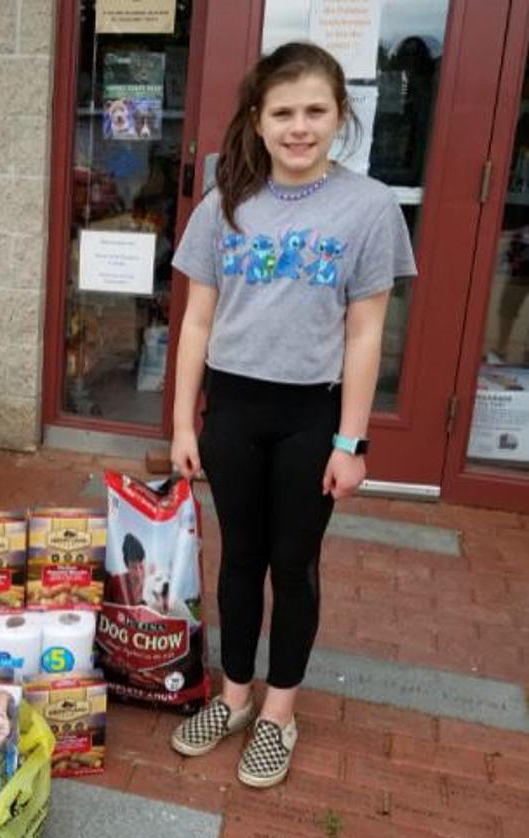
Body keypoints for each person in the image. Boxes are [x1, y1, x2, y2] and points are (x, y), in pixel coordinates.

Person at [168, 43, 416, 787]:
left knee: (294, 565)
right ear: (257, 118)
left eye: (315, 111)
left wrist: (352, 439)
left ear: (341, 117)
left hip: (313, 416)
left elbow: (367, 331)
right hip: (234, 411)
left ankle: (280, 712)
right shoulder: (226, 202)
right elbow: (197, 324)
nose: (298, 127)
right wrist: (184, 423)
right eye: (283, 112)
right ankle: (236, 696)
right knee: (239, 558)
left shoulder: (368, 207)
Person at [103, 532, 146, 606]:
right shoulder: (115, 583)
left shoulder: (152, 586)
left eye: (141, 566)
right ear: (126, 565)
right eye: (133, 567)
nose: (138, 573)